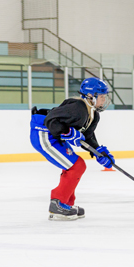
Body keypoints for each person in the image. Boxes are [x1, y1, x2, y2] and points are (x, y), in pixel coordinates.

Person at [30, 77, 115, 220]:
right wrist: (67, 131)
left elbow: (87, 136)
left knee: (73, 164)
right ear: (90, 96)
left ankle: (66, 204)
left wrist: (98, 152)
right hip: (43, 135)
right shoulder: (77, 107)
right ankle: (58, 204)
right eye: (101, 96)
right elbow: (50, 120)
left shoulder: (93, 115)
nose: (103, 100)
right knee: (76, 165)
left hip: (55, 136)